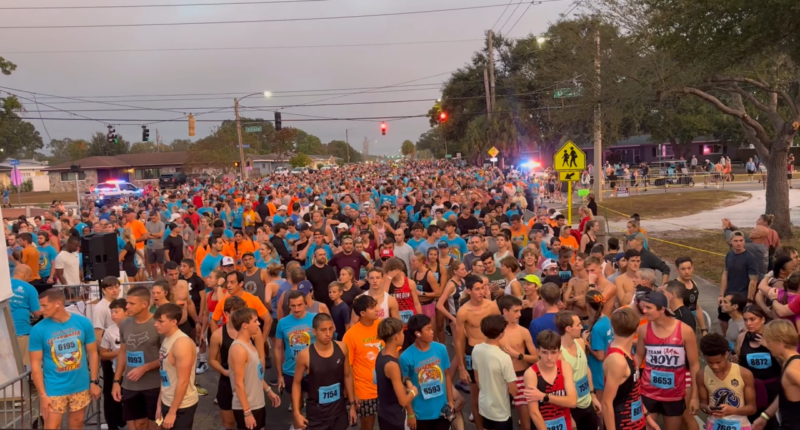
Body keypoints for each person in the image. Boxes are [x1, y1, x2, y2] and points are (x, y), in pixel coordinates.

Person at [30, 288, 101, 430]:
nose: (40, 310)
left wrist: (94, 381)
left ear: (57, 304)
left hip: (80, 385)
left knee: (77, 424)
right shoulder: (38, 329)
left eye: (45, 306)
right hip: (54, 388)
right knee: (52, 426)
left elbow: (93, 353)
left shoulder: (83, 322)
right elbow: (35, 364)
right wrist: (43, 395)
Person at [636, 292, 700, 430]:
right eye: (643, 307)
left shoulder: (684, 331)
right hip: (648, 392)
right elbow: (638, 358)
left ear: (662, 309)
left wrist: (695, 396)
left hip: (674, 395)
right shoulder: (643, 330)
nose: (644, 311)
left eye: (648, 307)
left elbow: (694, 365)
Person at [293, 313, 357, 430]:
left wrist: (352, 405)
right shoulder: (305, 355)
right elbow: (296, 383)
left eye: (330, 329)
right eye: (323, 330)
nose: (328, 334)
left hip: (339, 412)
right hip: (316, 416)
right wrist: (296, 412)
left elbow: (347, 376)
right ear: (315, 332)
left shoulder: (342, 348)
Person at [112, 286, 163, 430]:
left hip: (154, 384)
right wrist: (117, 381)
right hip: (130, 385)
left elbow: (167, 357)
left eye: (132, 303)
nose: (127, 306)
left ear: (145, 304)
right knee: (138, 424)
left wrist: (145, 367)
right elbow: (122, 352)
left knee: (155, 425)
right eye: (127, 302)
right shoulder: (125, 324)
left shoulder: (158, 324)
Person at [455, 275, 500, 430]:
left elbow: (501, 330)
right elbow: (459, 340)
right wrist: (461, 367)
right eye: (477, 289)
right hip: (474, 353)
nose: (481, 292)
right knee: (476, 396)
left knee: (495, 392)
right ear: (468, 291)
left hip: (492, 350)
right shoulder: (463, 312)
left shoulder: (492, 306)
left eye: (483, 288)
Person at [602, 307, 658, 430]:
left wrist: (647, 416)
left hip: (637, 423)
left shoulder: (626, 352)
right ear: (637, 328)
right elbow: (606, 403)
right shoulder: (617, 361)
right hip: (623, 425)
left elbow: (635, 391)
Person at [228, 308, 280, 430]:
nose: (259, 323)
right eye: (255, 321)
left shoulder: (249, 344)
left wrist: (268, 391)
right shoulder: (239, 350)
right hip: (247, 407)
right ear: (245, 325)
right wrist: (247, 412)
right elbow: (238, 384)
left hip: (257, 403)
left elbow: (256, 374)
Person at [400, 314, 454, 430]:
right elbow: (405, 387)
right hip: (420, 414)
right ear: (418, 333)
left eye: (431, 328)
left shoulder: (441, 349)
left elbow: (447, 375)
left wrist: (450, 401)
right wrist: (410, 413)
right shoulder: (406, 357)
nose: (432, 332)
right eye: (428, 329)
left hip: (442, 411)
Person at [153, 303, 199, 430]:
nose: (156, 324)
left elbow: (183, 381)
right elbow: (165, 374)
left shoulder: (181, 343)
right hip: (167, 401)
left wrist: (172, 412)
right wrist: (159, 404)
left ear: (174, 322)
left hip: (182, 406)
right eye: (156, 321)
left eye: (160, 321)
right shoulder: (167, 338)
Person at [697, 333, 756, 430]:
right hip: (714, 424)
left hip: (740, 425)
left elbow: (752, 408)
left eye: (718, 362)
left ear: (726, 354)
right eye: (710, 363)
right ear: (704, 356)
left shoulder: (744, 374)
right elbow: (703, 404)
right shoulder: (701, 375)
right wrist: (707, 409)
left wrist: (733, 411)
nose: (715, 366)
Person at [496, 295, 538, 430]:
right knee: (500, 421)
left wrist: (517, 355)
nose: (519, 314)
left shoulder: (523, 331)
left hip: (520, 376)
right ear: (504, 311)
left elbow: (536, 358)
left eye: (520, 311)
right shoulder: (495, 332)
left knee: (526, 422)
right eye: (516, 311)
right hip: (501, 378)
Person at [343, 295, 384, 430]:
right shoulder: (350, 335)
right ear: (362, 313)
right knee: (367, 426)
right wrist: (353, 393)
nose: (377, 309)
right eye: (372, 308)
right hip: (364, 392)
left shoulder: (383, 326)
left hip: (387, 388)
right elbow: (347, 368)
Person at [736, 305, 781, 427]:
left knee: (772, 422)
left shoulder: (775, 337)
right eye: (745, 320)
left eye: (752, 319)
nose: (748, 323)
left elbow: (787, 362)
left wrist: (768, 346)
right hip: (751, 388)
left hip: (773, 387)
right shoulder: (742, 337)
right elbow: (738, 362)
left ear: (762, 319)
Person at [523, 330, 577, 430]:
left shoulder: (565, 367)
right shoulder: (531, 374)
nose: (549, 357)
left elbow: (573, 402)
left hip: (564, 422)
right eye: (544, 352)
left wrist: (544, 396)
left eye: (553, 352)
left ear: (559, 352)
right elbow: (534, 413)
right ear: (538, 352)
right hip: (542, 425)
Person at [471, 314, 518, 430]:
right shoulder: (504, 357)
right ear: (501, 333)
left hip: (484, 406)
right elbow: (513, 390)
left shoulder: (476, 349)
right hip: (500, 410)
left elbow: (477, 378)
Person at [753, 319, 800, 430]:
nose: (767, 345)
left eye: (768, 341)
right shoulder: (788, 363)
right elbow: (784, 394)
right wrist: (765, 416)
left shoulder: (793, 369)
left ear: (780, 341)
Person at [376, 317, 421, 430]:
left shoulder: (382, 354)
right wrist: (413, 392)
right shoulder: (392, 365)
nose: (403, 335)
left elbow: (393, 381)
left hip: (384, 413)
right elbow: (403, 400)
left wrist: (407, 381)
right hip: (393, 418)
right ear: (396, 336)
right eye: (401, 332)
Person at [275, 290, 317, 394]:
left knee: (315, 406)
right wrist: (280, 375)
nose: (296, 309)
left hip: (313, 370)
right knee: (296, 406)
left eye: (299, 305)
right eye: (293, 306)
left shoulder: (315, 318)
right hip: (290, 370)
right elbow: (278, 348)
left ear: (305, 304)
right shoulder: (282, 323)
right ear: (288, 305)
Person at [720, 230, 757, 335]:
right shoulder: (729, 255)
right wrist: (721, 295)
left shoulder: (750, 258)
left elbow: (753, 280)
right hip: (728, 295)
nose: (739, 243)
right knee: (722, 320)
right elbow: (725, 274)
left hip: (741, 296)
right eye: (736, 241)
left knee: (740, 322)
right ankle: (727, 340)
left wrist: (749, 300)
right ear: (730, 241)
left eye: (741, 240)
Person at [99, 298, 127, 430]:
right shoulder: (109, 331)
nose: (113, 314)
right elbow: (103, 354)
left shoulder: (135, 327)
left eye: (116, 311)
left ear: (127, 312)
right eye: (111, 311)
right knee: (112, 398)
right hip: (116, 371)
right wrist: (118, 352)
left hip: (134, 371)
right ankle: (113, 424)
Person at [10, 265, 42, 368]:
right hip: (21, 329)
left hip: (3, 330)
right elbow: (37, 312)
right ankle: (24, 383)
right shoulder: (29, 288)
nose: (30, 279)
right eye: (30, 276)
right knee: (22, 363)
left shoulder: (3, 284)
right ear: (25, 275)